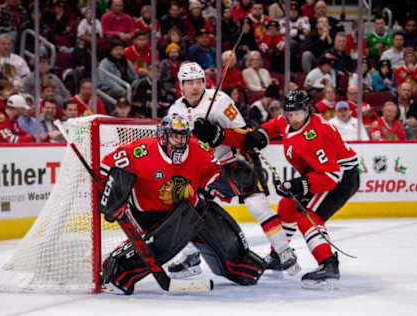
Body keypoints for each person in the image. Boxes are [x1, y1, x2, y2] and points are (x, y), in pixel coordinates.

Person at [100, 114, 265, 294]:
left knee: (209, 216)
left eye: (183, 136)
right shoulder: (142, 151)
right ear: (163, 136)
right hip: (150, 214)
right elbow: (106, 167)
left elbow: (211, 175)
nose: (180, 141)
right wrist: (112, 195)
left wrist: (225, 181)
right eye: (174, 136)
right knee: (166, 239)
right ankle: (119, 268)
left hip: (187, 209)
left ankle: (238, 263)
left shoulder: (200, 149)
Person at [167, 62, 299, 277]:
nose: (195, 87)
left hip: (230, 162)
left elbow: (245, 135)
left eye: (198, 81)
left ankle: (285, 251)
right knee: (190, 209)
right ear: (181, 86)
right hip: (203, 170)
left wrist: (217, 135)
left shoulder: (219, 102)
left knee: (258, 205)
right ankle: (191, 256)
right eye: (189, 82)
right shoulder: (176, 110)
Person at [255, 90, 360, 288]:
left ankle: (328, 264)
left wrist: (299, 185)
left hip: (341, 179)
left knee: (306, 215)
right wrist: (260, 134)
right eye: (288, 113)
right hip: (320, 174)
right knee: (287, 205)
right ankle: (279, 255)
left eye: (296, 113)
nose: (291, 117)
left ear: (307, 110)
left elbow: (330, 176)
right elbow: (276, 124)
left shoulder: (316, 135)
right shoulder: (289, 120)